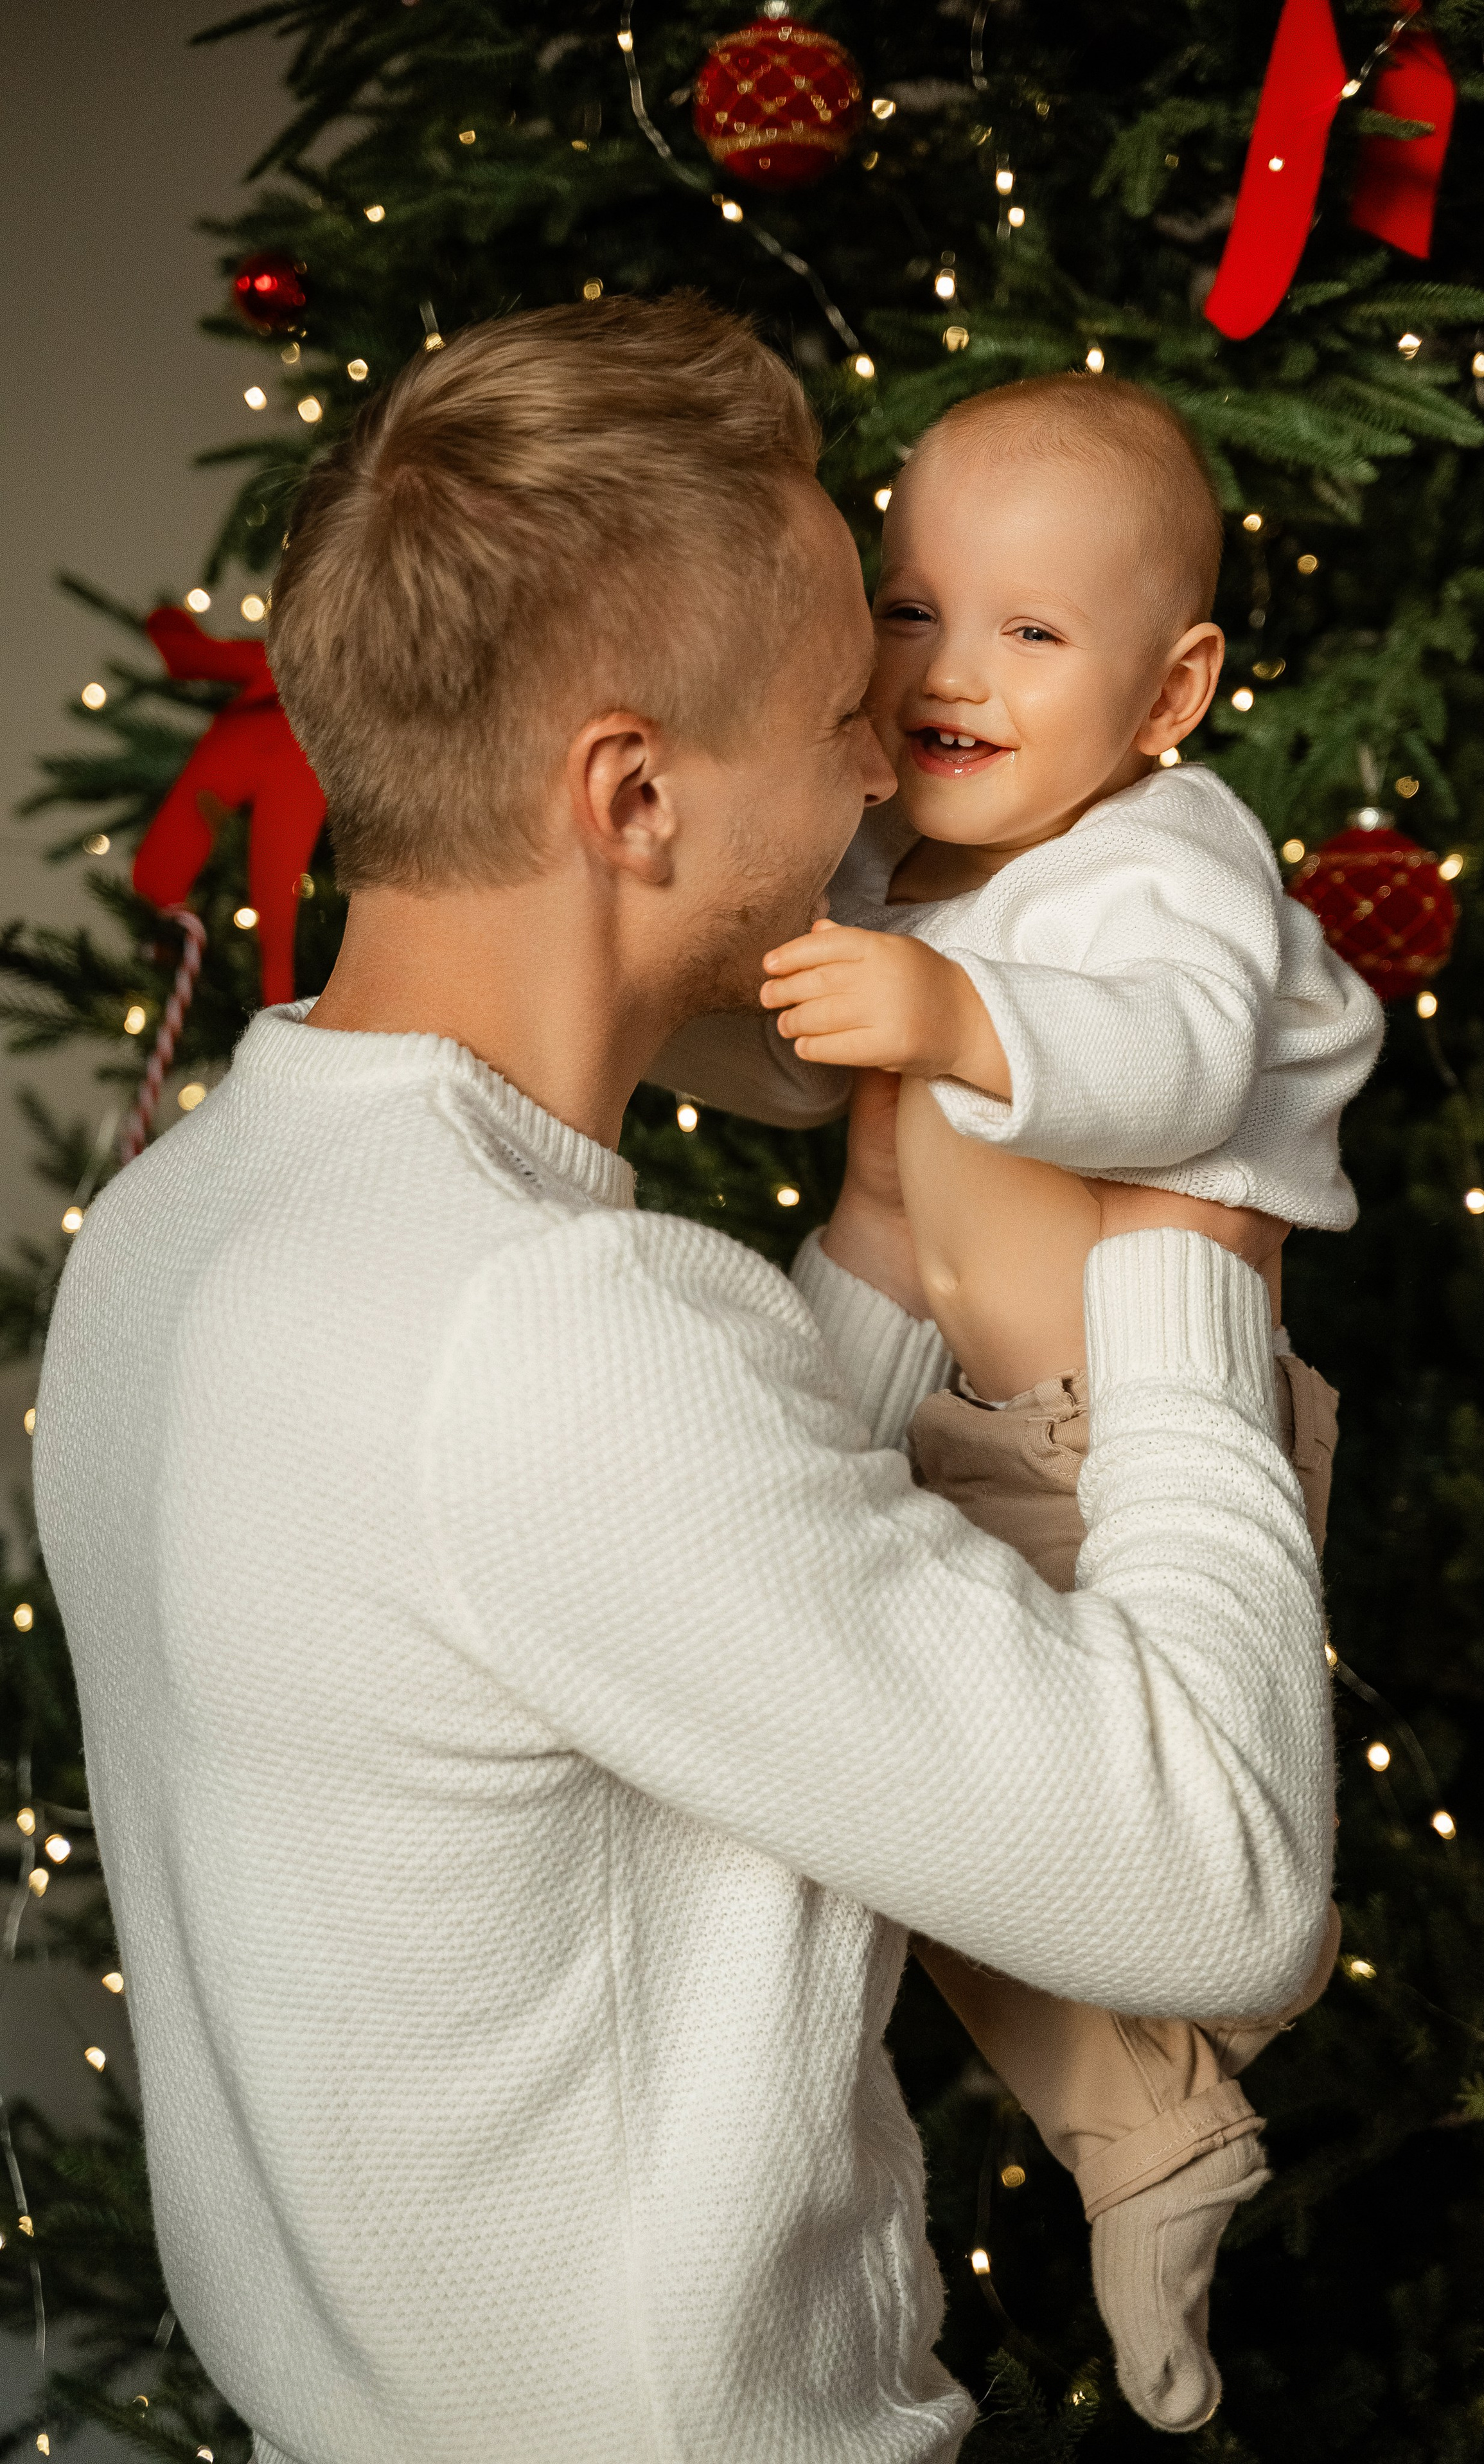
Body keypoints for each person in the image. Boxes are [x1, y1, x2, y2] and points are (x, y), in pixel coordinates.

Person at [34, 297, 1334, 2464]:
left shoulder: (175, 1228)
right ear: (633, 792)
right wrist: (1190, 1256)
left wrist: (888, 1249)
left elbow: (674, 1592)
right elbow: (1223, 1878)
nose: (886, 763)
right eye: (849, 706)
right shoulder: (557, 1327)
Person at [667, 372, 1382, 2429]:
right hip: (959, 1408)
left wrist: (953, 1009)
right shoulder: (904, 857)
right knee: (880, 1792)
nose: (947, 675)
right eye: (910, 610)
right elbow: (826, 1094)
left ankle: (1158, 2096)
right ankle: (1143, 2121)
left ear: (1172, 697)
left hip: (1132, 1443)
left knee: (1065, 1816)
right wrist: (663, 996)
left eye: (1031, 634)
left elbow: (1163, 1074)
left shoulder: (1173, 858)